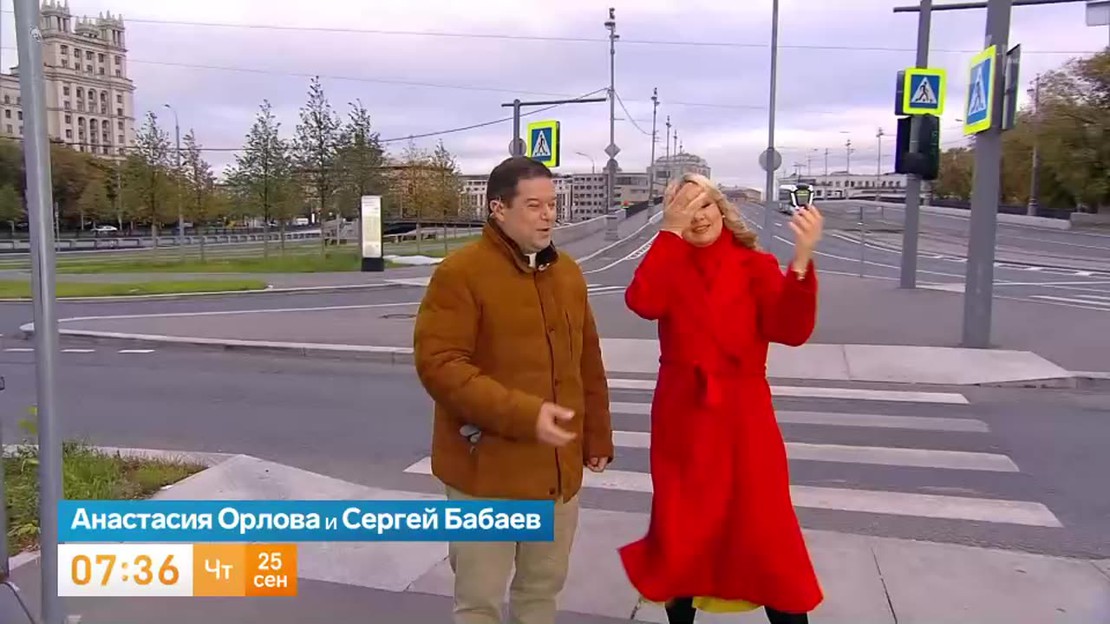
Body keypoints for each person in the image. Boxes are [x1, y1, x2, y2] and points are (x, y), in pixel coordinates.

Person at [413, 155, 615, 624]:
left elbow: (587, 362)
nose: (548, 216)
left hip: (556, 475)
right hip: (486, 475)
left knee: (540, 594)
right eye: (534, 205)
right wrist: (526, 415)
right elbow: (440, 366)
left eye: (552, 204)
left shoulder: (568, 273)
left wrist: (597, 436)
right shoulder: (461, 273)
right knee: (479, 602)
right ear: (498, 209)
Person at [617, 173, 825, 624]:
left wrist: (802, 261)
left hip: (744, 418)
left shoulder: (755, 265)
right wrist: (668, 235)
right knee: (681, 533)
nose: (698, 217)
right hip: (682, 417)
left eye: (705, 205)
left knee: (766, 534)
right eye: (685, 209)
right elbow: (643, 301)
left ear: (721, 209)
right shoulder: (669, 262)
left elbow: (791, 330)